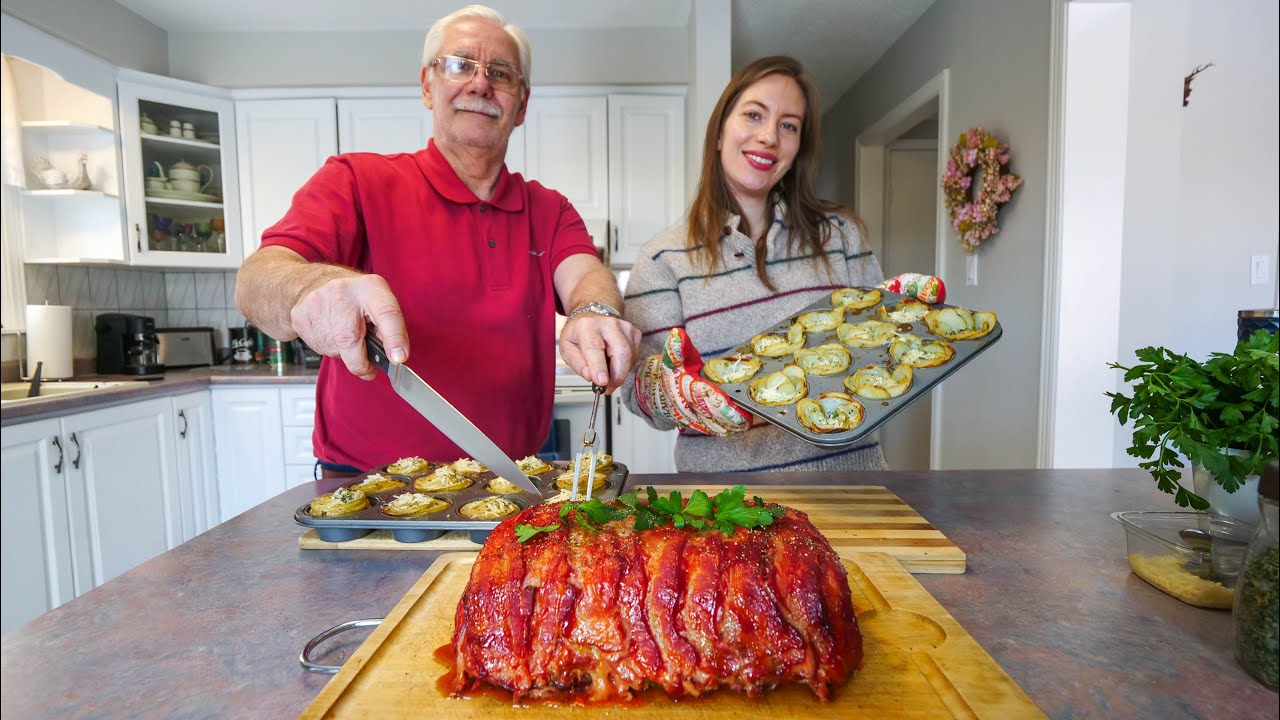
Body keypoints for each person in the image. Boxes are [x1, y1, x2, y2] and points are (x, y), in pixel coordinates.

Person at [235, 4, 640, 478]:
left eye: (501, 73)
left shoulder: (549, 210)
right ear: (428, 85)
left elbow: (586, 274)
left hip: (512, 482)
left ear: (522, 103)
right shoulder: (356, 180)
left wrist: (595, 312)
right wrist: (310, 288)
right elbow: (256, 280)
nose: (480, 83)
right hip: (368, 487)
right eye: (459, 65)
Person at [620, 55, 940, 473]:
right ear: (719, 132)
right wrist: (671, 393)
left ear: (798, 148)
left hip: (853, 487)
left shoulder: (840, 235)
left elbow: (881, 358)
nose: (769, 136)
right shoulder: (662, 260)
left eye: (788, 125)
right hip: (729, 507)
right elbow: (640, 392)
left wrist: (902, 327)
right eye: (754, 115)